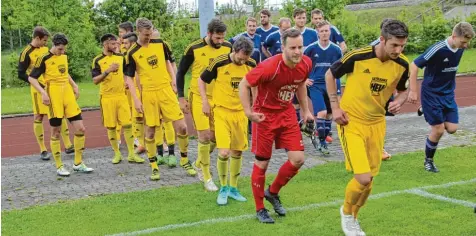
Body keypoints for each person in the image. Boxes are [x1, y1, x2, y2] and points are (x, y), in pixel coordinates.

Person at [326, 19, 410, 235]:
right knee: (362, 177)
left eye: (403, 46)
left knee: (369, 181)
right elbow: (330, 74)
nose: (399, 50)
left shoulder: (402, 64)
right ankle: (345, 213)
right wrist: (335, 108)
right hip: (351, 122)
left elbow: (402, 90)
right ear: (382, 39)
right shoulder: (358, 56)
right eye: (394, 45)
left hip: (377, 124)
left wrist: (399, 101)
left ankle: (354, 218)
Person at [239, 28, 313, 223]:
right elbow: (244, 84)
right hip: (265, 117)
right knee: (262, 163)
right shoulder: (270, 66)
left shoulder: (305, 63)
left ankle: (272, 192)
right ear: (283, 48)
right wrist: (248, 112)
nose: (298, 52)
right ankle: (260, 208)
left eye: (300, 47)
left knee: (298, 159)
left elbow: (301, 85)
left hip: (287, 113)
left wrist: (305, 111)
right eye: (293, 48)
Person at [125, 18, 195, 180]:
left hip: (166, 90)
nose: (149, 37)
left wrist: (174, 81)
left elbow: (168, 63)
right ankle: (154, 167)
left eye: (150, 33)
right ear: (138, 32)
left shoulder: (160, 44)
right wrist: (136, 99)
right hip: (149, 93)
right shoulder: (132, 53)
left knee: (183, 127)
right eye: (145, 34)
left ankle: (184, 160)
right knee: (150, 131)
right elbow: (129, 78)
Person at [408, 22, 475, 173]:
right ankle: (428, 161)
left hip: (448, 94)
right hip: (431, 93)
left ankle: (425, 109)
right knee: (438, 131)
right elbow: (413, 65)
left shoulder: (460, 48)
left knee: (452, 129)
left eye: (468, 42)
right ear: (454, 36)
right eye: (463, 42)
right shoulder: (437, 49)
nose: (466, 46)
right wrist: (413, 90)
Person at [199, 36, 256, 205]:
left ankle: (233, 188)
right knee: (224, 152)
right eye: (240, 57)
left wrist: (255, 106)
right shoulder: (219, 62)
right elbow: (201, 80)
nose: (242, 61)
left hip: (240, 113)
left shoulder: (251, 64)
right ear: (234, 51)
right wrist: (204, 101)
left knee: (237, 152)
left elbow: (256, 85)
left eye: (245, 58)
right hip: (222, 112)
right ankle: (223, 187)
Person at [176, 19, 232, 190]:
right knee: (205, 136)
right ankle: (206, 176)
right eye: (217, 38)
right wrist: (181, 97)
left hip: (219, 98)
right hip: (199, 97)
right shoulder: (193, 48)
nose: (220, 41)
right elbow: (180, 72)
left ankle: (199, 162)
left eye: (222, 38)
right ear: (209, 34)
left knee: (216, 137)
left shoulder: (228, 47)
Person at [28, 33, 94, 176]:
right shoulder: (43, 58)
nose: (62, 52)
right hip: (54, 94)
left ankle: (78, 163)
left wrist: (74, 85)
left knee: (81, 128)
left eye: (64, 49)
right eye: (60, 49)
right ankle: (59, 166)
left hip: (68, 94)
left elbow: (65, 72)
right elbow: (31, 78)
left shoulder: (63, 57)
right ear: (54, 46)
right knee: (56, 131)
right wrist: (43, 93)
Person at [18, 26, 74, 160]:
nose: (45, 43)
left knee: (60, 113)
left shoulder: (47, 50)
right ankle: (43, 149)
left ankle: (67, 145)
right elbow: (21, 73)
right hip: (38, 89)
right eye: (44, 40)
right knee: (39, 116)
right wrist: (37, 84)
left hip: (53, 87)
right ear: (37, 38)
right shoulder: (26, 52)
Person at [92, 34, 145, 164]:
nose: (116, 46)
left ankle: (132, 154)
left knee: (127, 124)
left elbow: (127, 73)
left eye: (117, 43)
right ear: (105, 44)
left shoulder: (121, 57)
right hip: (107, 98)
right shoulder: (97, 60)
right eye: (113, 44)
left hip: (121, 96)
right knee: (111, 127)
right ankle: (117, 153)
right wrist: (108, 71)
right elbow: (95, 80)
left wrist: (127, 81)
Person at [303, 20, 342, 155]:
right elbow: (301, 64)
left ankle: (322, 137)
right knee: (322, 113)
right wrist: (305, 79)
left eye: (326, 31)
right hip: (316, 85)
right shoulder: (311, 48)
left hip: (331, 84)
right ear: (317, 33)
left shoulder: (336, 49)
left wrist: (337, 86)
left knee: (330, 114)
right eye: (322, 31)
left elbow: (339, 68)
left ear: (330, 32)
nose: (324, 33)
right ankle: (322, 142)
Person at [370, 18, 394, 161]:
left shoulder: (395, 47)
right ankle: (376, 149)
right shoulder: (373, 47)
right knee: (373, 119)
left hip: (386, 88)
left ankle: (378, 148)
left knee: (380, 119)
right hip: (373, 88)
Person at [292, 8, 317, 121]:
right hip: (294, 72)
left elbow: (316, 55)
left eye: (303, 18)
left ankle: (319, 129)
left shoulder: (313, 33)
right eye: (299, 18)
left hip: (310, 73)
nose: (301, 20)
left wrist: (309, 76)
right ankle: (297, 129)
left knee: (317, 102)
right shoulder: (290, 33)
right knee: (295, 104)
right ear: (294, 19)